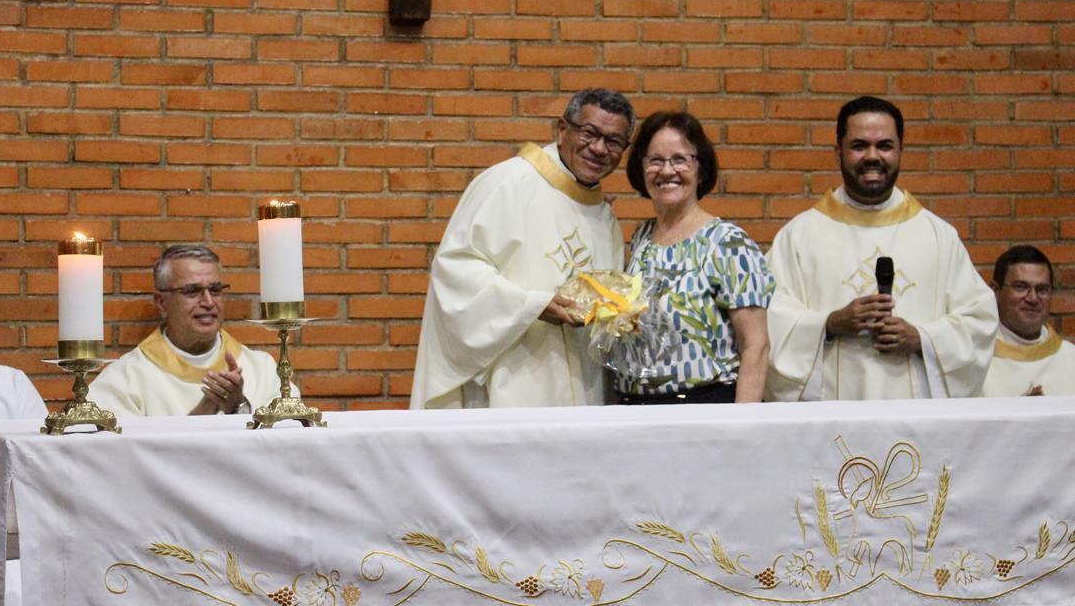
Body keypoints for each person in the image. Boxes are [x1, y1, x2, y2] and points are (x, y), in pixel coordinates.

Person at [410, 88, 635, 408]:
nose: (599, 148)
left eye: (613, 141)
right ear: (562, 129)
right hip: (511, 380)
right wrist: (532, 306)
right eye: (589, 133)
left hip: (582, 388)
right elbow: (455, 271)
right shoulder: (507, 183)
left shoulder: (603, 217)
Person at [765, 96, 998, 401]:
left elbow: (979, 321)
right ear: (838, 152)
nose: (872, 156)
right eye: (859, 146)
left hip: (915, 416)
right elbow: (768, 323)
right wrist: (830, 324)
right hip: (832, 414)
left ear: (901, 150)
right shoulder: (799, 235)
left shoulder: (938, 235)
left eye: (885, 146)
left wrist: (922, 338)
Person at [616, 111, 774, 404]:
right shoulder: (642, 238)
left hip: (704, 407)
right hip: (636, 406)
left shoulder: (728, 243)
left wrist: (742, 424)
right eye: (655, 160)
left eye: (680, 159)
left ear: (700, 170)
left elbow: (756, 347)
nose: (667, 171)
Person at [90, 244, 289, 417]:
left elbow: (288, 439)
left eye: (215, 290)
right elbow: (117, 448)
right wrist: (206, 409)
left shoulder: (263, 370)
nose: (208, 302)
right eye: (192, 291)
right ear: (161, 302)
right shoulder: (126, 379)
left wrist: (239, 407)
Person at [982, 245, 1074, 396]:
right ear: (996, 291)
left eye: (1042, 289)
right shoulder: (975, 357)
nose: (1033, 298)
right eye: (1020, 287)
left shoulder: (1070, 358)